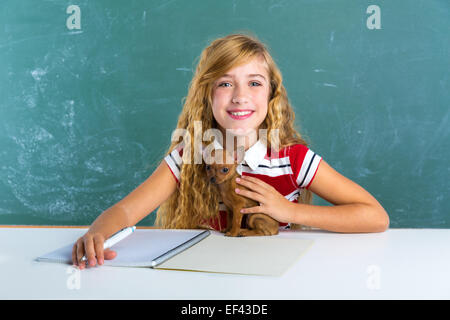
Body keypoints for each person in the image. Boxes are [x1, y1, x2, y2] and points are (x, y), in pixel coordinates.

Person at [72, 32, 389, 269]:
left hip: (275, 278)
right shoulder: (192, 155)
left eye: (254, 83)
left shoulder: (292, 159)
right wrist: (97, 233)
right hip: (205, 278)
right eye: (225, 83)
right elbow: (127, 212)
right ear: (207, 95)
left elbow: (374, 217)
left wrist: (290, 212)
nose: (240, 96)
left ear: (271, 94)